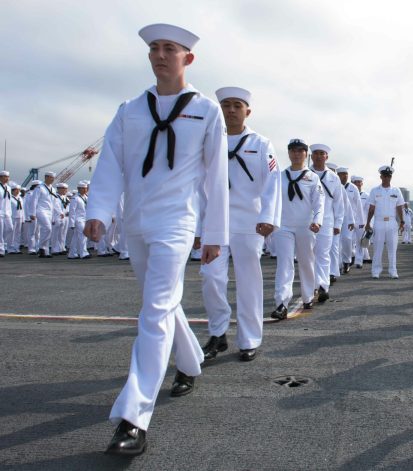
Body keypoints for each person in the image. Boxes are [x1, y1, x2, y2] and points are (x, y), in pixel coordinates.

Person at [84, 23, 229, 455]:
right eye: (154, 48)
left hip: (178, 222)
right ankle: (190, 362)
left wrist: (214, 234)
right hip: (137, 221)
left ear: (188, 58)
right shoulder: (130, 109)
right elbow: (110, 161)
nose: (160, 55)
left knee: (155, 309)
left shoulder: (206, 110)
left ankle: (134, 417)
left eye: (170, 48)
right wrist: (99, 211)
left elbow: (217, 176)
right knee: (161, 302)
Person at [199, 86, 281, 362]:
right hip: (215, 221)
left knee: (248, 282)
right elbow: (199, 184)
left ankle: (248, 338)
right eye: (226, 105)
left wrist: (268, 217)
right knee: (211, 278)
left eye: (237, 105)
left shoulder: (260, 144)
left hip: (249, 221)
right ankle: (218, 332)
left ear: (248, 111)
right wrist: (200, 226)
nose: (231, 110)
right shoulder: (209, 140)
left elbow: (272, 184)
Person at [270, 139, 324, 319]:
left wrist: (318, 220)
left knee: (306, 261)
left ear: (305, 154)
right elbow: (272, 199)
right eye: (293, 150)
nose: (296, 154)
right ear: (288, 153)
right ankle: (281, 303)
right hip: (283, 226)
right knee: (284, 264)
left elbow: (319, 202)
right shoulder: (279, 175)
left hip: (305, 225)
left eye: (300, 151)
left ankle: (308, 296)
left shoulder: (312, 177)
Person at [309, 144, 343, 302]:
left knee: (323, 254)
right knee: (308, 255)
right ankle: (310, 286)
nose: (318, 156)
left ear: (326, 157)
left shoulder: (333, 177)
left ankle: (323, 286)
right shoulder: (305, 173)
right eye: (315, 153)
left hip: (327, 221)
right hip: (307, 221)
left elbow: (338, 203)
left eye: (321, 153)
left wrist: (338, 224)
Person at [365, 165, 405, 278]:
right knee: (378, 247)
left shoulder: (396, 190)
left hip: (392, 222)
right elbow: (371, 208)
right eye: (385, 176)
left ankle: (393, 271)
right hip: (379, 221)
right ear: (381, 176)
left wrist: (402, 221)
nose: (387, 178)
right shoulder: (374, 190)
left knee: (392, 248)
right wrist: (368, 223)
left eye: (389, 176)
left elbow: (399, 207)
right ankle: (376, 271)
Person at [337, 166, 364, 274]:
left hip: (349, 218)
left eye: (346, 174)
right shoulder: (335, 185)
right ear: (338, 175)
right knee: (336, 243)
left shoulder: (353, 188)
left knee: (347, 240)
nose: (344, 176)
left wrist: (361, 222)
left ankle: (347, 261)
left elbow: (358, 205)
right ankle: (338, 264)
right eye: (342, 174)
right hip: (336, 217)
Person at [33, 172, 57, 258]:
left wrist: (54, 217)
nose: (52, 179)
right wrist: (32, 213)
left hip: (49, 212)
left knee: (46, 231)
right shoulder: (39, 188)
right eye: (51, 177)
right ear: (46, 177)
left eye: (53, 178)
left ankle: (44, 251)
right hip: (41, 210)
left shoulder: (53, 189)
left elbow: (54, 204)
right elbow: (34, 200)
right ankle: (40, 247)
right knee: (48, 228)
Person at [352, 176, 371, 266]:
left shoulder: (366, 196)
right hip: (350, 221)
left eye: (359, 182)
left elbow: (369, 210)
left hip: (361, 222)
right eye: (356, 182)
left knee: (360, 242)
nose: (358, 184)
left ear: (362, 184)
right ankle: (350, 258)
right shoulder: (349, 193)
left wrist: (368, 223)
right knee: (349, 241)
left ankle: (358, 261)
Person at [67, 182, 90, 259]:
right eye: (82, 188)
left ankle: (72, 253)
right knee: (83, 235)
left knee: (76, 237)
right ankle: (83, 253)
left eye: (85, 188)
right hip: (78, 219)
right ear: (78, 189)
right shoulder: (75, 198)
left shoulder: (86, 197)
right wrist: (72, 223)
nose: (84, 190)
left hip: (85, 219)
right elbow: (72, 211)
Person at [0, 171, 11, 257]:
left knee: (10, 228)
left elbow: (8, 201)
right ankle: (1, 250)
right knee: (1, 230)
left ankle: (3, 244)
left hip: (7, 212)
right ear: (1, 177)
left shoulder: (8, 188)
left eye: (7, 177)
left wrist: (9, 212)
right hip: (0, 211)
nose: (7, 178)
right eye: (5, 177)